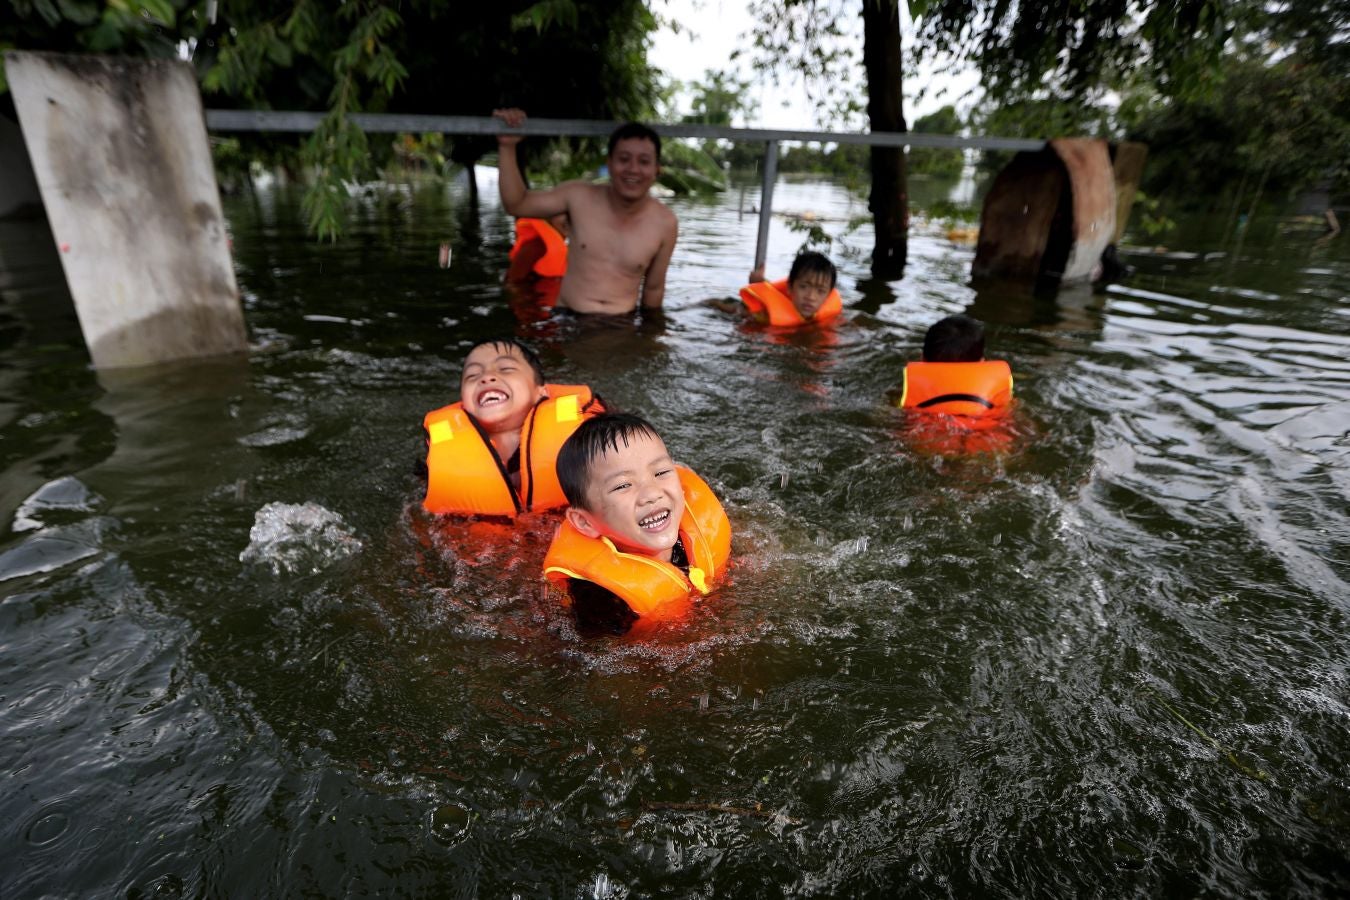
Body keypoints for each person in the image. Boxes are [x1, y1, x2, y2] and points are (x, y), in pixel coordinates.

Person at [542, 413, 731, 632]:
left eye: (660, 472)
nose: (651, 493)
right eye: (623, 486)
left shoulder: (695, 529)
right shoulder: (603, 602)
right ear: (585, 522)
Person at [493, 108, 678, 315]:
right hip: (569, 320)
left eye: (644, 162)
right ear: (609, 163)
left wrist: (650, 342)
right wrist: (507, 146)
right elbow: (516, 204)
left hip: (621, 326)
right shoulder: (578, 196)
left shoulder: (665, 223)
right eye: (624, 159)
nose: (633, 169)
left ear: (656, 170)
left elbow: (654, 290)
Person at [421, 338, 605, 517]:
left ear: (541, 390)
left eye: (506, 369)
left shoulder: (587, 434)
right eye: (472, 375)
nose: (486, 377)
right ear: (463, 400)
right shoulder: (439, 455)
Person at [897, 314, 1012, 416]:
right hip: (986, 435)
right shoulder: (999, 385)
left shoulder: (907, 387)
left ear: (922, 358)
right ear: (982, 361)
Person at [739, 251, 843, 326]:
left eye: (820, 291)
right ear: (789, 288)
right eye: (803, 287)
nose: (811, 297)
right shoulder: (765, 317)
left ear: (828, 296)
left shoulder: (832, 318)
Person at [506, 212, 569, 282]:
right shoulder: (536, 247)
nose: (569, 220)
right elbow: (512, 283)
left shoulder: (567, 248)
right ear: (547, 219)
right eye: (562, 214)